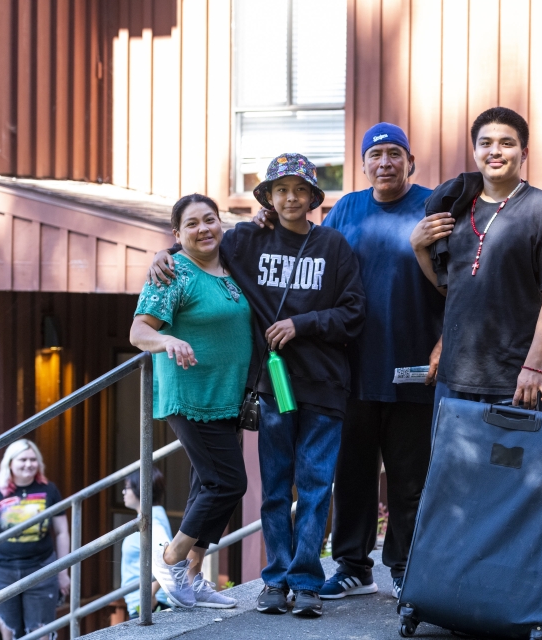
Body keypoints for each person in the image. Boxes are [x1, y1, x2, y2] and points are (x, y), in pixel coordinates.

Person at [149, 153, 366, 618]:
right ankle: (276, 580)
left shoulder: (334, 246)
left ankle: (307, 580)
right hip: (273, 388)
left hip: (326, 386)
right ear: (268, 197)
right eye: (281, 190)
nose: (291, 198)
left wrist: (301, 324)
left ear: (312, 198)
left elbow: (354, 313)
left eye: (300, 190)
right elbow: (197, 246)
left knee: (314, 487)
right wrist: (160, 257)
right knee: (273, 488)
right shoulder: (248, 239)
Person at [251, 123, 444, 601]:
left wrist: (444, 342)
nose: (385, 163)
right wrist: (267, 223)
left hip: (416, 365)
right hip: (350, 368)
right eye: (375, 154)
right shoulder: (346, 211)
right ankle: (354, 566)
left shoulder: (433, 205)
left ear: (410, 161)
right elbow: (310, 257)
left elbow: (454, 279)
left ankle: (403, 565)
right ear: (362, 164)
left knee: (408, 476)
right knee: (352, 473)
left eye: (394, 154)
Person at [410, 106, 542, 414]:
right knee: (452, 465)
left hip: (513, 383)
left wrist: (533, 367)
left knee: (506, 465)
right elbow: (450, 290)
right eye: (486, 143)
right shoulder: (457, 207)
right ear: (475, 151)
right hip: (454, 380)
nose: (495, 151)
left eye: (507, 143)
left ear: (523, 152)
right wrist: (419, 248)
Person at [130, 193, 251, 611]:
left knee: (206, 485)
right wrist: (167, 339)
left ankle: (194, 579)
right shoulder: (174, 273)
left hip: (227, 396)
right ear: (177, 234)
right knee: (228, 483)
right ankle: (170, 559)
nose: (204, 229)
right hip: (190, 395)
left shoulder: (230, 267)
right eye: (193, 224)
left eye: (210, 220)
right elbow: (138, 331)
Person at [0, 439, 69, 640]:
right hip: (0, 572)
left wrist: (63, 572)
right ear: (10, 463)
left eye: (33, 459)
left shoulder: (49, 490)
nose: (28, 464)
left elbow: (62, 532)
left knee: (40, 632)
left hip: (41, 569)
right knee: (7, 630)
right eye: (22, 459)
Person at [119, 467, 173, 617]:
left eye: (126, 488)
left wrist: (149, 595)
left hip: (150, 604)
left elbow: (169, 554)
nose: (123, 492)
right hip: (146, 602)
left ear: (140, 489)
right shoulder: (151, 516)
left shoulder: (152, 520)